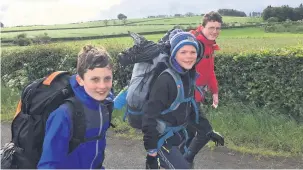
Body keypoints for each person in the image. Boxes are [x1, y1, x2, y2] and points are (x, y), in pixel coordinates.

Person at [37, 45, 114, 169]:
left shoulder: (105, 105)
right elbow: (48, 164)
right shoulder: (64, 114)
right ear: (80, 80)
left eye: (107, 79)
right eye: (95, 79)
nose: (102, 86)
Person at [142, 31, 202, 169]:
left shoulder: (188, 75)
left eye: (193, 52)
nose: (189, 56)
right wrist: (151, 152)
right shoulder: (166, 80)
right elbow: (149, 115)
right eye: (183, 52)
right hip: (162, 141)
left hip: (178, 136)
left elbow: (188, 107)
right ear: (174, 53)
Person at [183, 11, 224, 167]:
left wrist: (215, 92)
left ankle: (181, 161)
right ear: (203, 26)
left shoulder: (209, 45)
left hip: (195, 98)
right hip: (188, 99)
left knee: (190, 133)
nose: (215, 31)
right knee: (205, 132)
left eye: (218, 28)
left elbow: (210, 71)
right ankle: (186, 161)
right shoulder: (196, 45)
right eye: (211, 27)